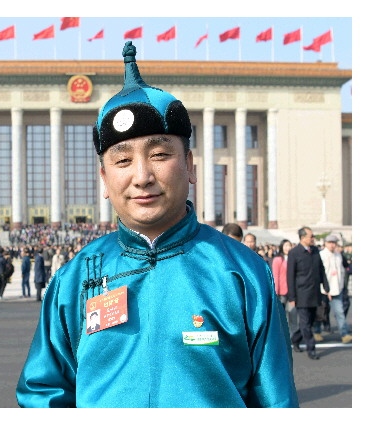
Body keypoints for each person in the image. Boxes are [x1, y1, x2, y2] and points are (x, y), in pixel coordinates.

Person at [16, 41, 299, 408]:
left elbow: (276, 401)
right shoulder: (75, 279)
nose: (142, 176)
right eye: (123, 161)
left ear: (190, 165)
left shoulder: (243, 274)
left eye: (160, 154)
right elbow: (43, 394)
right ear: (104, 180)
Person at [287, 226, 330, 360]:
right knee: (305, 323)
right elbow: (290, 275)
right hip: (302, 294)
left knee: (309, 322)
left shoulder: (315, 250)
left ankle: (295, 339)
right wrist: (292, 296)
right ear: (303, 237)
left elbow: (321, 269)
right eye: (311, 236)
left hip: (315, 293)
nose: (313, 238)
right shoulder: (294, 252)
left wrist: (326, 286)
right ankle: (311, 348)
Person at [317, 235, 352, 344]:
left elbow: (343, 270)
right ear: (325, 243)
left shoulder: (338, 255)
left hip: (337, 288)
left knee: (339, 312)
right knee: (321, 312)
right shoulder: (321, 255)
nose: (332, 245)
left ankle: (344, 333)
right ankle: (316, 331)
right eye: (330, 242)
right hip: (323, 289)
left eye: (334, 243)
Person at [272, 239, 298, 337]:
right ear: (282, 247)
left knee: (293, 314)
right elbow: (276, 276)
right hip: (281, 292)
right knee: (281, 316)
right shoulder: (278, 259)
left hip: (292, 292)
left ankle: (294, 336)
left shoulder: (294, 258)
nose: (288, 248)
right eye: (286, 245)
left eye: (289, 245)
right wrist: (276, 292)